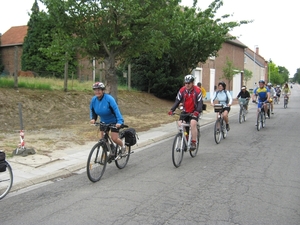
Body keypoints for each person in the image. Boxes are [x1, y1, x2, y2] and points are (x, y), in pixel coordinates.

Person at [90, 82, 126, 155]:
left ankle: (123, 146)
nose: (97, 92)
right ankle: (112, 150)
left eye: (99, 90)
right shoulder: (94, 100)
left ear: (103, 90)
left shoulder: (109, 99)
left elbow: (116, 110)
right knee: (103, 139)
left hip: (114, 121)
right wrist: (93, 118)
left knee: (114, 138)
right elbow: (92, 110)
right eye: (95, 90)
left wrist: (119, 122)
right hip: (103, 121)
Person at [168, 75, 203, 150]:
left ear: (192, 83)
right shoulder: (182, 90)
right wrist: (172, 110)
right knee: (180, 124)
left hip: (195, 111)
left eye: (189, 83)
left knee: (193, 123)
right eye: (185, 83)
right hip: (185, 111)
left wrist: (197, 112)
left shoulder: (197, 90)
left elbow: (200, 103)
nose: (187, 85)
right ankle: (186, 137)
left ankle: (193, 142)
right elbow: (177, 101)